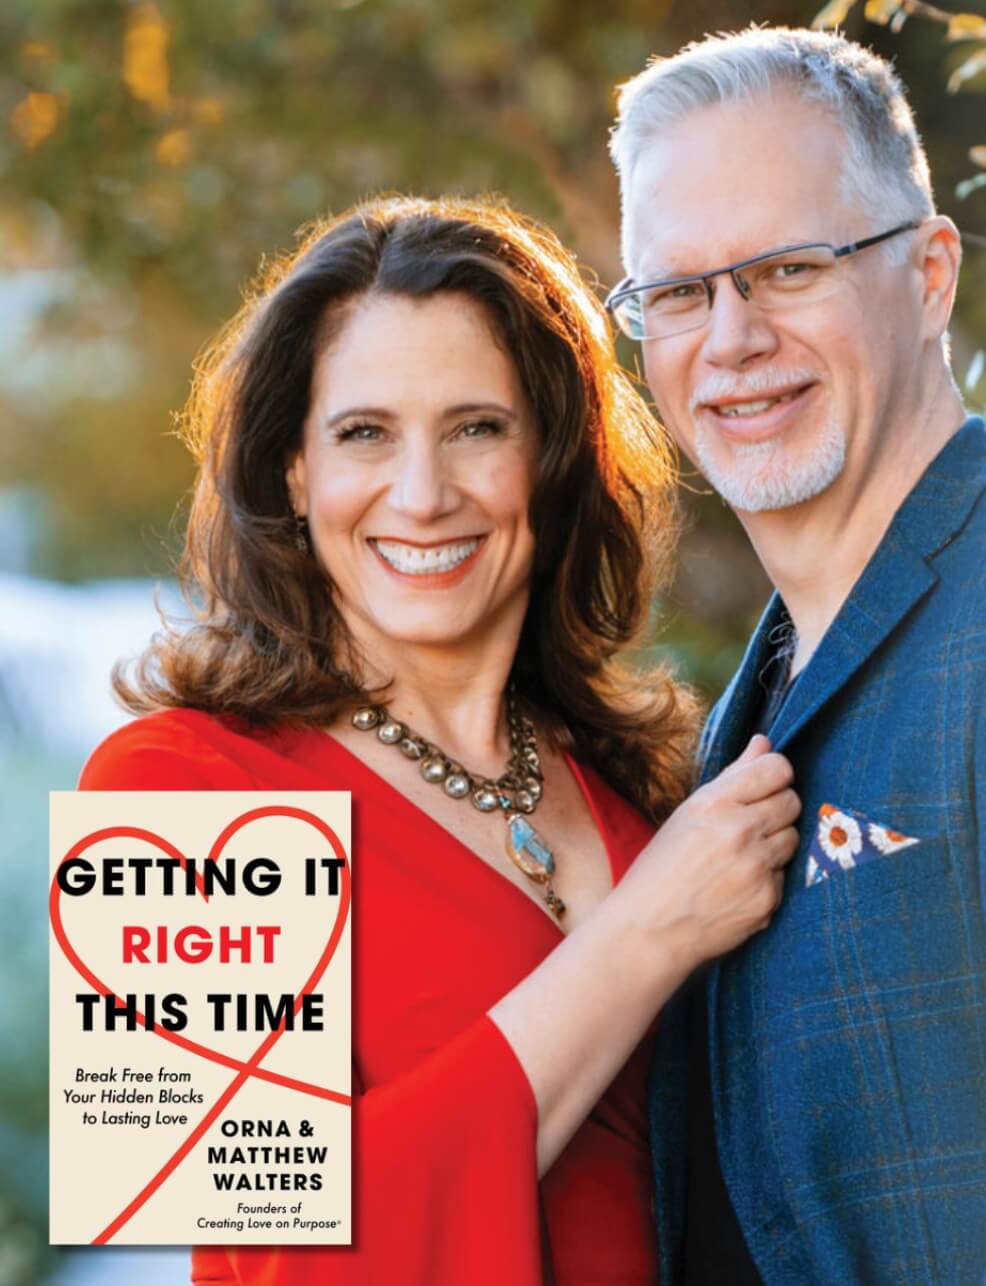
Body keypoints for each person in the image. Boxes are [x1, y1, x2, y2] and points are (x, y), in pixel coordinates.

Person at [78, 194, 800, 1285]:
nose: (421, 495)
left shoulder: (648, 792)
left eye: (476, 428)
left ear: (551, 462)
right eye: (363, 433)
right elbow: (285, 1268)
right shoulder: (167, 792)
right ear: (293, 471)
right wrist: (641, 938)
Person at [606, 24, 986, 1285]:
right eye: (677, 291)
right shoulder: (739, 713)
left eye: (784, 268)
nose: (729, 337)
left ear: (928, 272)